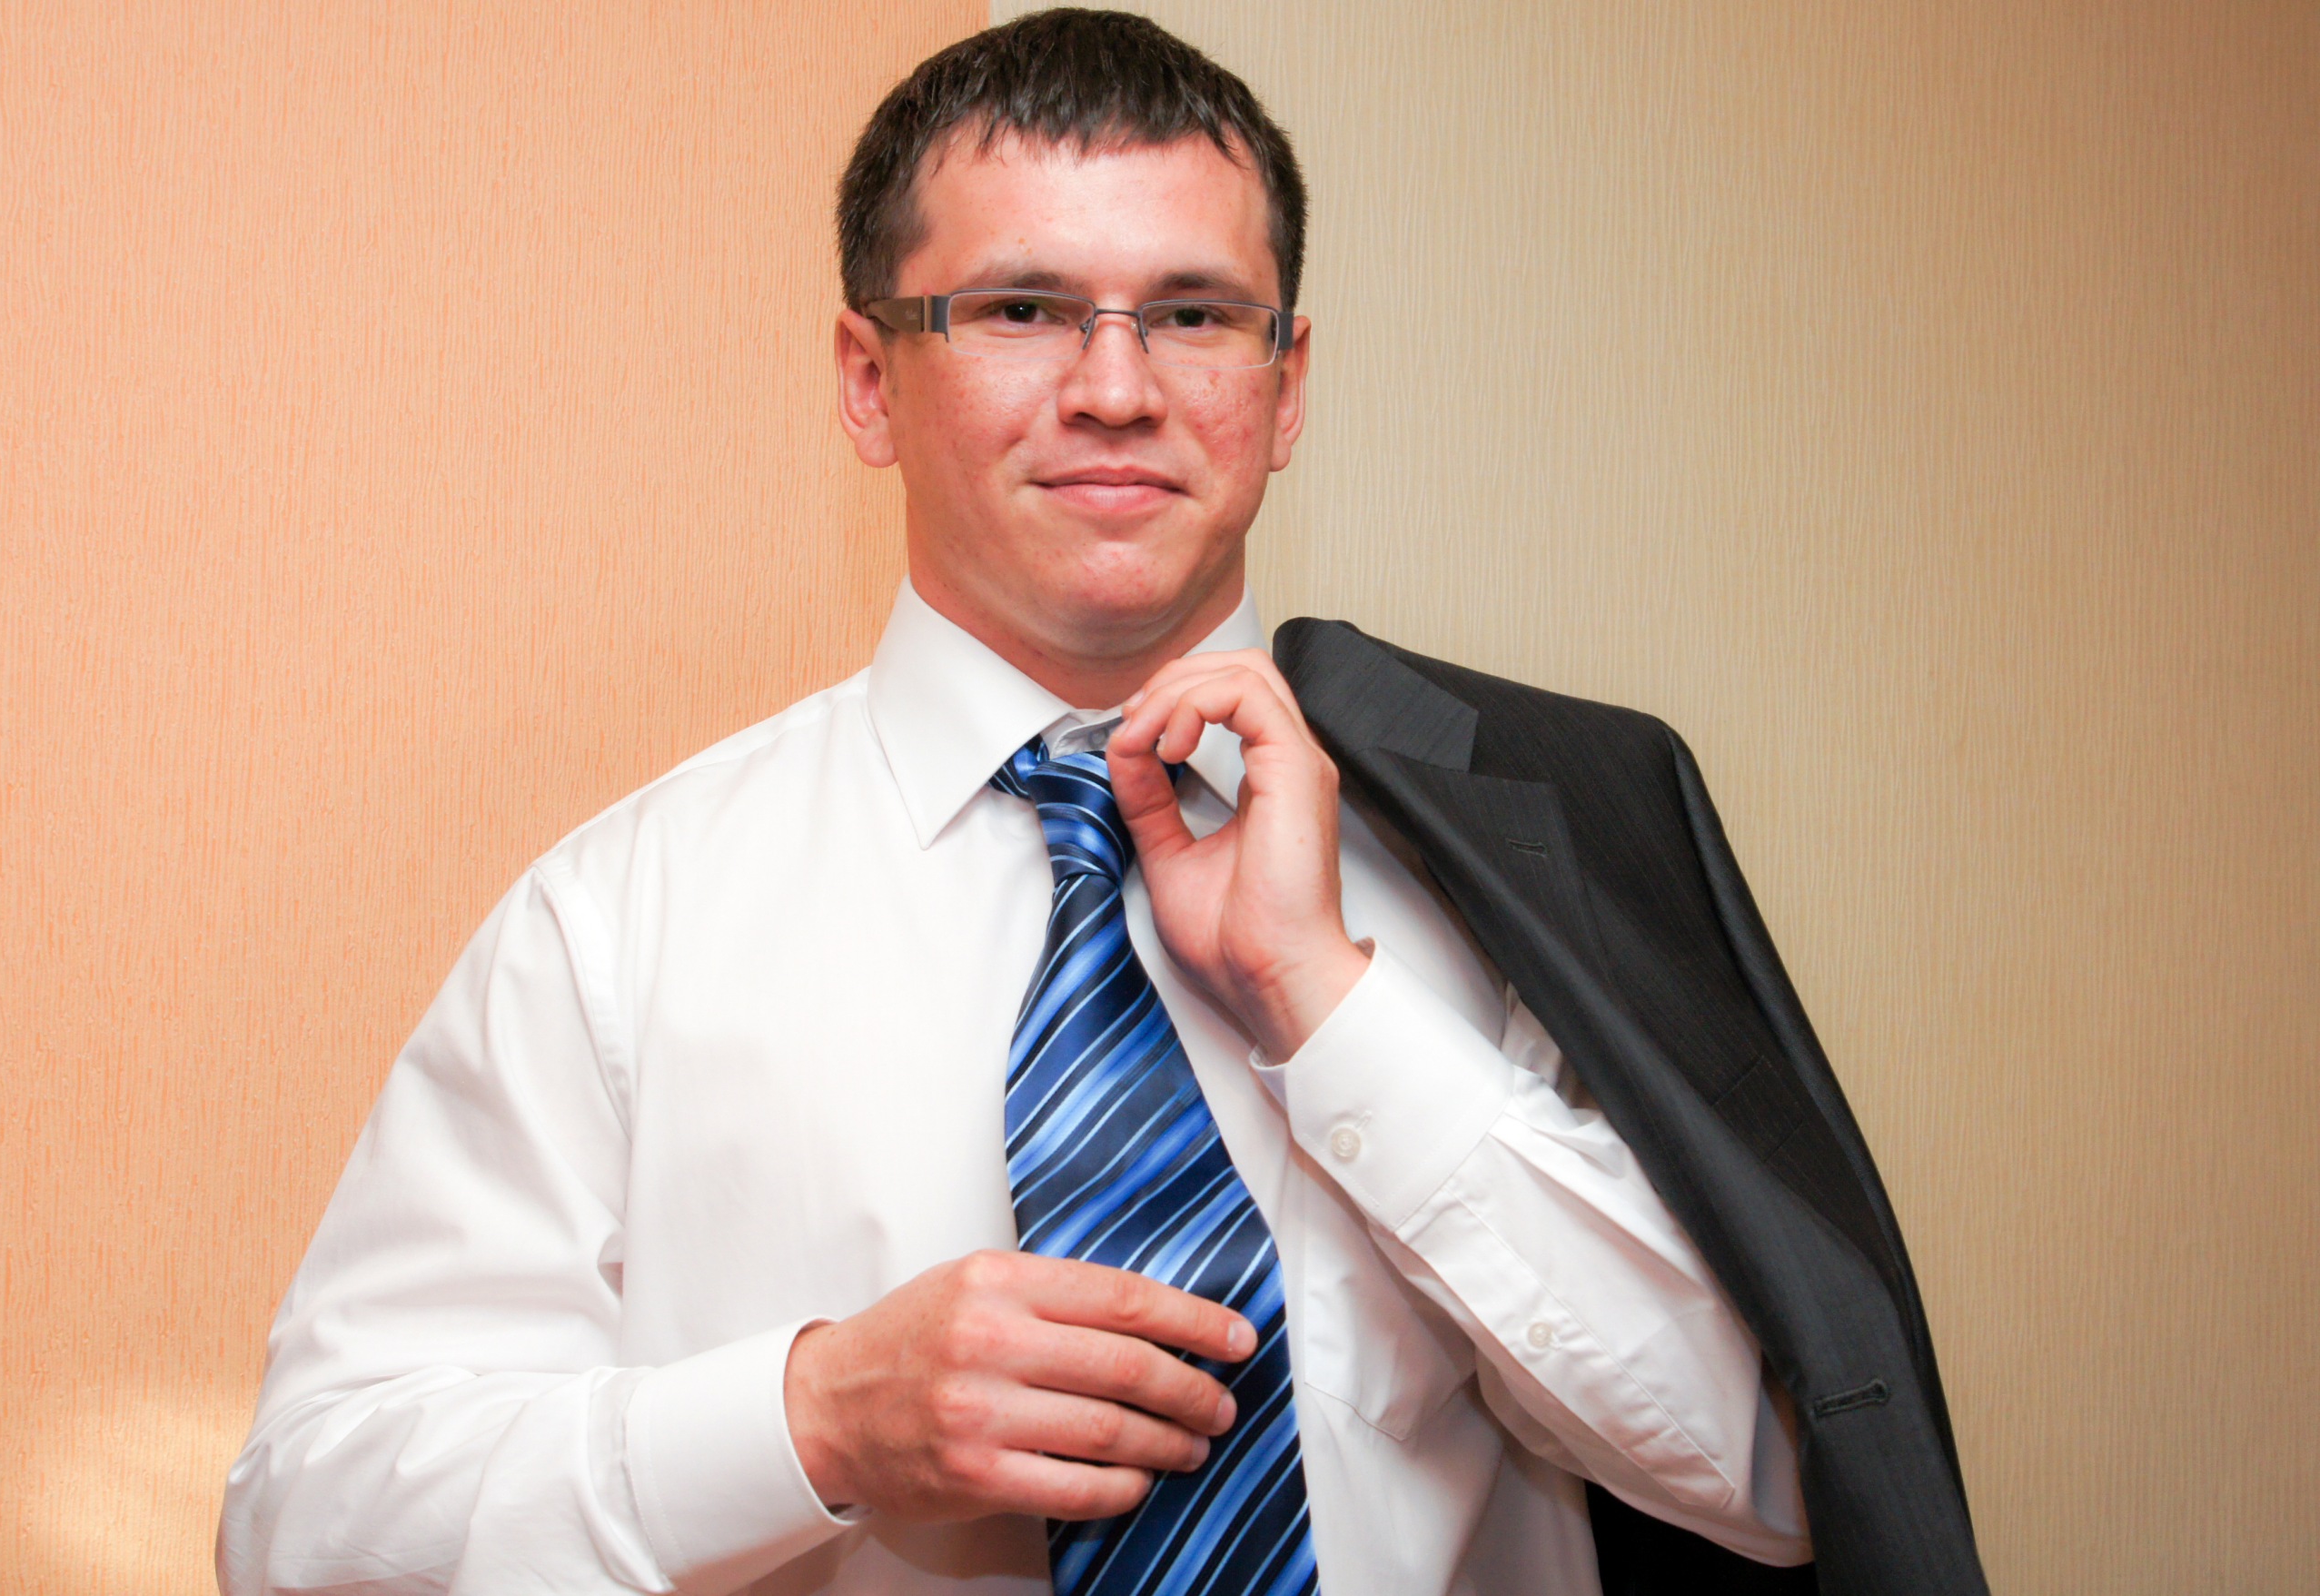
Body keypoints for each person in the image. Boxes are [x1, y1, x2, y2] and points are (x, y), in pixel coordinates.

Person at [220, 11, 1983, 1596]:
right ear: (866, 380)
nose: (1117, 390)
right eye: (1020, 310)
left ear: (1285, 387)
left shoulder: (1521, 861)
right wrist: (812, 1420)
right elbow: (302, 1523)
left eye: (1194, 316)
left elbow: (1781, 1479)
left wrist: (1329, 1005)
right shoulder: (622, 919)